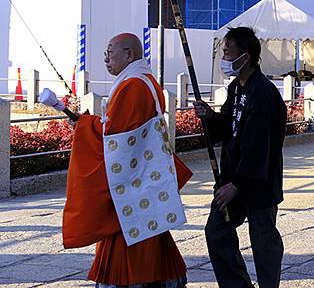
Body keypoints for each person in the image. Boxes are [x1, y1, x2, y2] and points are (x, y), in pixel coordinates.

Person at [63, 33, 191, 288]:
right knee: (149, 229)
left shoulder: (133, 85)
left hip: (132, 180)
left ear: (129, 55)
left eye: (110, 52)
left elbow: (117, 137)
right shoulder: (145, 81)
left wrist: (84, 125)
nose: (106, 59)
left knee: (130, 230)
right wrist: (89, 124)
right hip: (143, 171)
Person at [193, 27, 287, 288]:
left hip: (257, 180)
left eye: (227, 50)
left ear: (244, 56)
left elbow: (260, 146)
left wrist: (237, 185)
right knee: (216, 231)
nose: (223, 56)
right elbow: (229, 127)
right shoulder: (237, 87)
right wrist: (211, 117)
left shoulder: (263, 93)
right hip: (232, 177)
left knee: (263, 241)